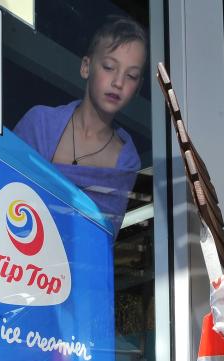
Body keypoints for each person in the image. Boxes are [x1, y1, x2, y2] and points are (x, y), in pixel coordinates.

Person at [13, 15, 146, 235]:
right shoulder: (40, 123)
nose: (119, 82)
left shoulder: (127, 162)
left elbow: (100, 237)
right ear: (86, 67)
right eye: (109, 67)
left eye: (131, 76)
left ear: (138, 88)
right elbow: (4, 193)